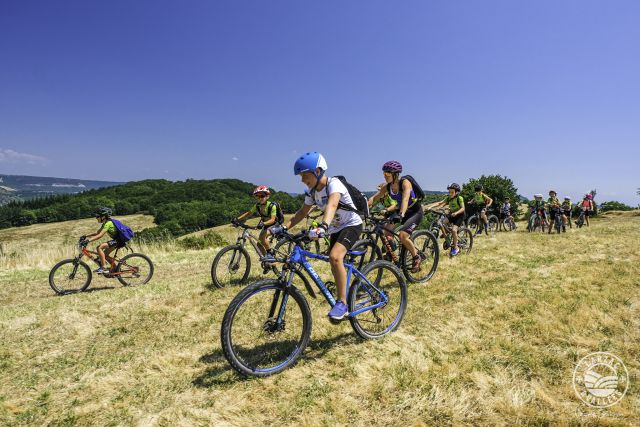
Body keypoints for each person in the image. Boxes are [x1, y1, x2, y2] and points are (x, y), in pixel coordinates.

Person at [270, 152, 363, 321]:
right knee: (332, 259)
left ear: (318, 171)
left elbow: (332, 204)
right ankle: (343, 291)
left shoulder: (334, 184)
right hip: (335, 228)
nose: (302, 179)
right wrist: (283, 227)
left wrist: (323, 226)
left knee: (335, 257)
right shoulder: (312, 192)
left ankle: (342, 303)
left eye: (305, 175)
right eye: (301, 176)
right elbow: (302, 212)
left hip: (351, 224)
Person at [367, 161, 424, 272]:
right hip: (400, 212)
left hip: (414, 212)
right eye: (384, 174)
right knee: (386, 232)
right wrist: (362, 208)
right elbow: (374, 198)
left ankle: (416, 257)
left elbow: (405, 199)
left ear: (395, 174)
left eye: (387, 174)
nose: (385, 176)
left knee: (403, 236)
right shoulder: (387, 187)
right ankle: (390, 254)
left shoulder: (405, 182)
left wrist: (401, 214)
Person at [233, 185, 280, 257]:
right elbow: (248, 213)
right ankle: (267, 261)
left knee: (262, 238)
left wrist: (263, 223)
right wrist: (237, 219)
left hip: (275, 224)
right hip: (266, 225)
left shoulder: (271, 206)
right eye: (257, 196)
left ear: (267, 196)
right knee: (259, 244)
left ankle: (270, 254)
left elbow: (272, 220)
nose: (260, 198)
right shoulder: (257, 206)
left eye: (262, 196)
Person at [82, 207, 127, 274]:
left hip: (119, 240)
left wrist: (88, 240)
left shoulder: (108, 223)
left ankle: (103, 268)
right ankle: (115, 269)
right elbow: (97, 233)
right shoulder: (105, 223)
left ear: (103, 217)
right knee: (105, 255)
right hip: (117, 240)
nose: (96, 218)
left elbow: (100, 235)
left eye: (97, 216)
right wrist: (86, 236)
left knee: (99, 247)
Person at [425, 183, 465, 256]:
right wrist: (431, 207)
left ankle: (456, 248)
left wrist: (456, 213)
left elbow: (463, 208)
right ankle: (446, 234)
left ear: (457, 192)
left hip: (459, 215)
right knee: (442, 222)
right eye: (449, 192)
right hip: (452, 214)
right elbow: (440, 203)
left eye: (452, 192)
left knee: (453, 230)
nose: (450, 193)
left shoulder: (460, 198)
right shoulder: (449, 198)